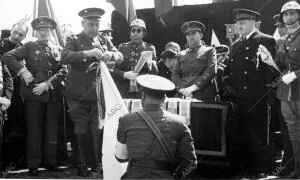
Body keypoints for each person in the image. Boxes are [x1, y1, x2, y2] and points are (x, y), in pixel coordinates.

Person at [61, 7, 123, 177]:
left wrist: (110, 54)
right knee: (80, 127)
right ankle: (81, 164)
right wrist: (86, 53)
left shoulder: (103, 39)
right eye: (90, 24)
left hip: (97, 93)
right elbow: (64, 57)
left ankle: (95, 163)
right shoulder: (73, 39)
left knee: (96, 128)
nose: (94, 28)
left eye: (96, 24)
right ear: (82, 24)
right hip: (77, 94)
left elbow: (120, 56)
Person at [1, 16, 67, 176]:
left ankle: (50, 162)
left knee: (51, 129)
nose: (44, 32)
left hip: (52, 94)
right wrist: (23, 71)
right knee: (34, 130)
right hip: (34, 95)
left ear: (51, 32)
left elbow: (65, 69)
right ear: (36, 32)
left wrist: (48, 84)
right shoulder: (30, 46)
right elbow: (7, 57)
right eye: (41, 30)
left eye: (47, 30)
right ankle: (33, 164)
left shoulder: (58, 48)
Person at [223, 9, 276, 178]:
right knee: (241, 133)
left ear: (254, 22)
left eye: (243, 22)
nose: (239, 25)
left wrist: (266, 95)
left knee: (258, 133)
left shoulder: (265, 40)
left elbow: (270, 70)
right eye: (238, 22)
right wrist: (228, 86)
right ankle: (244, 168)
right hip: (238, 98)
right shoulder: (236, 45)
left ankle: (260, 169)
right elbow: (228, 70)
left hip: (257, 97)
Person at [115, 74, 197, 179]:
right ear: (163, 99)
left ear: (143, 96)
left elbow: (121, 157)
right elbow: (191, 164)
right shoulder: (179, 123)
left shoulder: (126, 120)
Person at [273, 1, 300, 178]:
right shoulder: (282, 40)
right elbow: (280, 66)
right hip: (286, 92)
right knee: (293, 132)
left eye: (293, 13)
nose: (289, 17)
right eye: (286, 14)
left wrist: (297, 74)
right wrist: (266, 58)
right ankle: (298, 170)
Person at [0, 21, 28, 171]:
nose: (17, 36)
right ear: (11, 29)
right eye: (15, 32)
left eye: (21, 34)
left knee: (15, 125)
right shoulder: (1, 45)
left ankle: (12, 161)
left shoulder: (23, 48)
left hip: (18, 92)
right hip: (3, 90)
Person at [112, 18, 158, 99]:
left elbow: (154, 73)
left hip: (142, 89)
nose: (135, 33)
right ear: (130, 32)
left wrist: (150, 63)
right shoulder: (122, 47)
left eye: (139, 30)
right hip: (124, 89)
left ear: (143, 33)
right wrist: (124, 74)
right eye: (133, 30)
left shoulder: (149, 48)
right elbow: (113, 70)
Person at [172, 21, 217, 100]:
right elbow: (175, 74)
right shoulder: (181, 54)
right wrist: (183, 90)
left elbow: (211, 70)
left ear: (201, 35)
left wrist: (194, 87)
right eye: (188, 34)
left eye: (193, 33)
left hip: (203, 94)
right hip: (184, 95)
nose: (191, 36)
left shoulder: (210, 50)